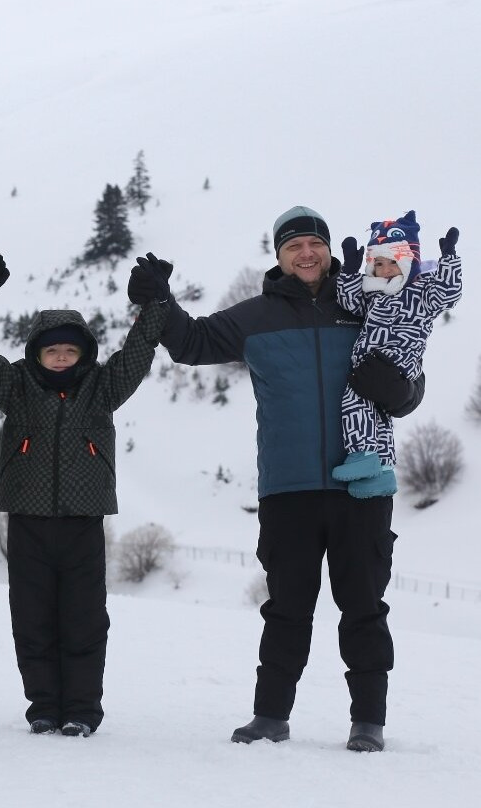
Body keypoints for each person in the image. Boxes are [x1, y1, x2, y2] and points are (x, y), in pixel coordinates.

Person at [128, 205, 436, 752]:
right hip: (288, 490)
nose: (307, 253)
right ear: (278, 256)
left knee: (364, 607)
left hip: (360, 488)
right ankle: (270, 716)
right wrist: (159, 301)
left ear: (328, 250)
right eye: (294, 246)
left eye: (314, 244)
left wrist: (405, 392)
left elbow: (409, 355)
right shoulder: (256, 316)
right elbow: (192, 344)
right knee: (287, 608)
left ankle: (368, 722)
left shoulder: (364, 302)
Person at [0, 250, 167, 737]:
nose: (62, 358)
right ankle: (44, 708)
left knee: (84, 623)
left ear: (83, 353)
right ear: (37, 354)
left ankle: (81, 712)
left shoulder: (104, 387)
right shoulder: (14, 387)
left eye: (70, 351)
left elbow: (138, 351)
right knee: (32, 622)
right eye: (53, 351)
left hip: (83, 522)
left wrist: (156, 304)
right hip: (27, 522)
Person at [330, 211, 462, 497]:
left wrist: (449, 259)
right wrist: (350, 272)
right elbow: (349, 301)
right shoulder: (375, 292)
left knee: (355, 400)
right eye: (378, 263)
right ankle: (384, 471)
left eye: (393, 262)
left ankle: (363, 453)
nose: (386, 269)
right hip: (376, 364)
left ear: (408, 261)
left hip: (400, 359)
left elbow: (447, 293)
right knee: (378, 414)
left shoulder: (421, 289)